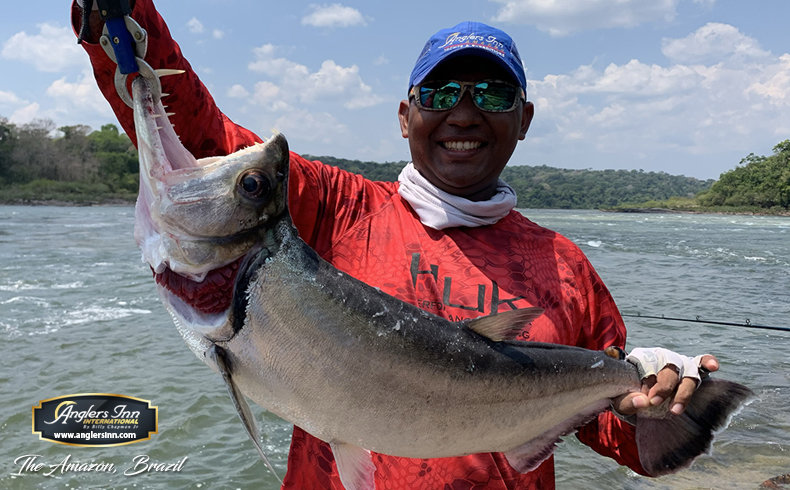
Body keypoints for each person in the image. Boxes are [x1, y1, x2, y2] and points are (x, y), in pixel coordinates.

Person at [72, 1, 719, 488]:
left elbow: (611, 423)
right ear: (405, 116)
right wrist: (125, 24)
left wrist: (657, 395)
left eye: (491, 94)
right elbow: (214, 154)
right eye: (440, 94)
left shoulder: (565, 265)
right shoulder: (332, 207)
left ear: (523, 120)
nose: (463, 113)